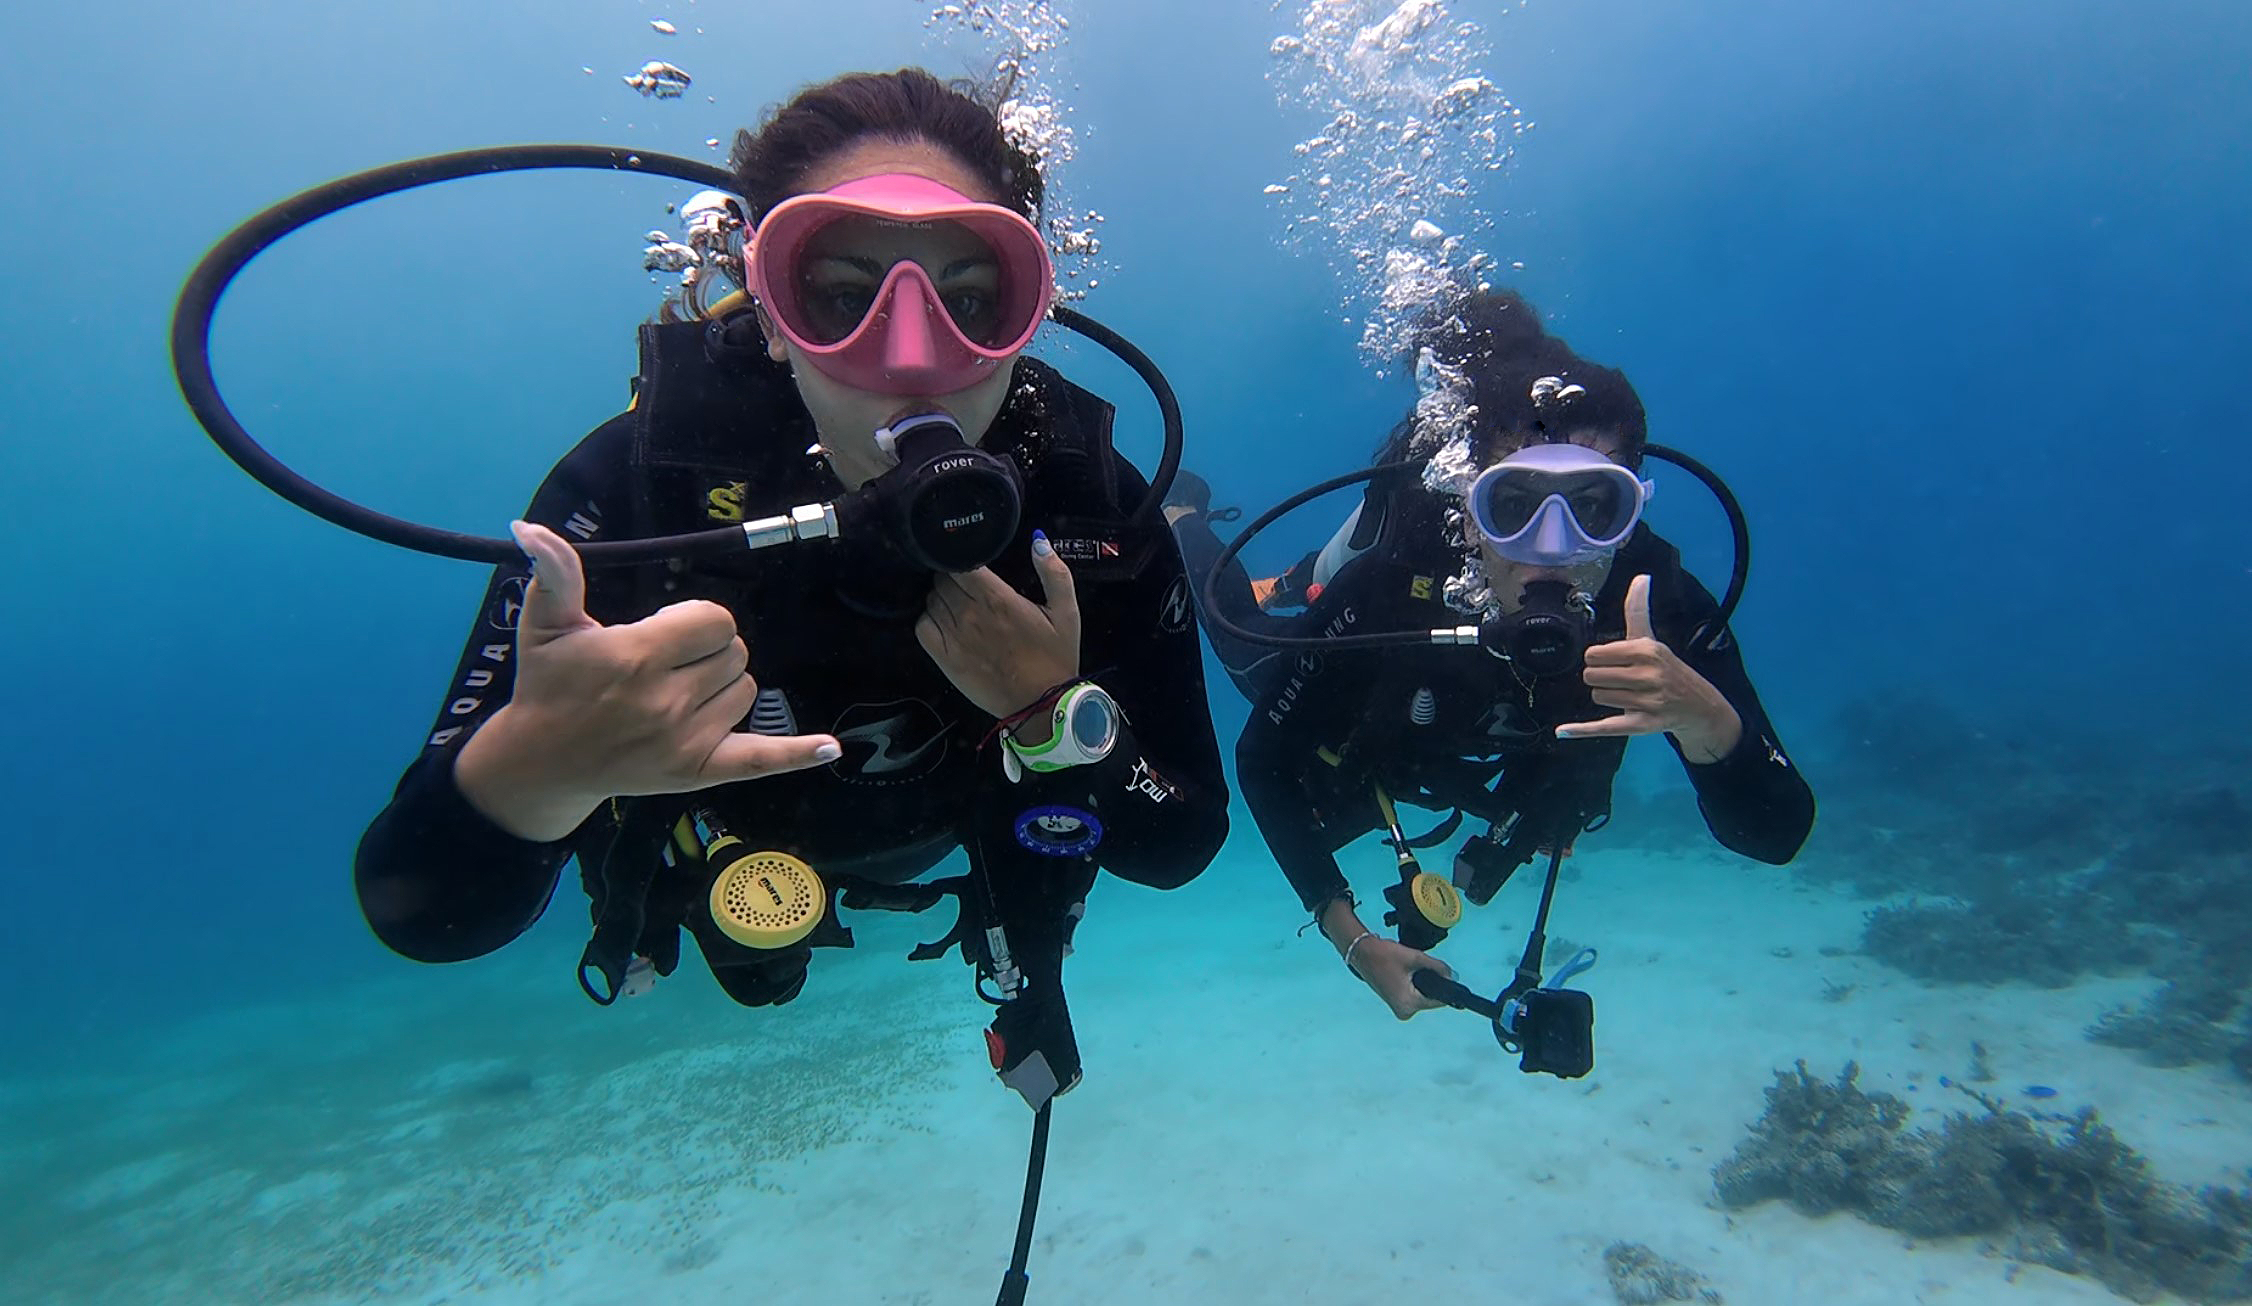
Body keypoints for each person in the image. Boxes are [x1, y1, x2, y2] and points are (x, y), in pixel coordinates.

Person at [354, 68, 1230, 1111]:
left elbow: (1180, 842)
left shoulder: (1087, 502)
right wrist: (539, 766)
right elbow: (423, 910)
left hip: (979, 841)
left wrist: (1055, 719)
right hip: (732, 854)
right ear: (767, 310)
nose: (911, 358)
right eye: (839, 295)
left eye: (969, 300)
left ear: (1026, 314)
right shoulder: (635, 491)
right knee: (754, 977)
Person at [1167, 290, 1812, 1025]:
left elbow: (1778, 834)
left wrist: (1710, 727)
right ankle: (1186, 520)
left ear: (1631, 508)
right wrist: (1351, 940)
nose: (1553, 548)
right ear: (1469, 506)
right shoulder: (1398, 580)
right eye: (1514, 505)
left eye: (1594, 507)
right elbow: (1265, 760)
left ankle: (1304, 575)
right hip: (1381, 661)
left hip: (1469, 731)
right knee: (1250, 652)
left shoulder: (1654, 597)